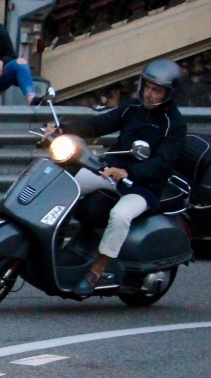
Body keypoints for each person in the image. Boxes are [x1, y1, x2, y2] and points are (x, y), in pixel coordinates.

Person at [44, 59, 187, 296]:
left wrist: (130, 172)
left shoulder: (175, 125)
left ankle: (96, 271)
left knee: (119, 215)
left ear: (169, 94)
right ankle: (53, 241)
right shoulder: (133, 108)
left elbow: (163, 163)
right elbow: (99, 124)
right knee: (68, 184)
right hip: (112, 173)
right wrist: (62, 130)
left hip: (143, 188)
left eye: (157, 91)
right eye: (148, 87)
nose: (149, 95)